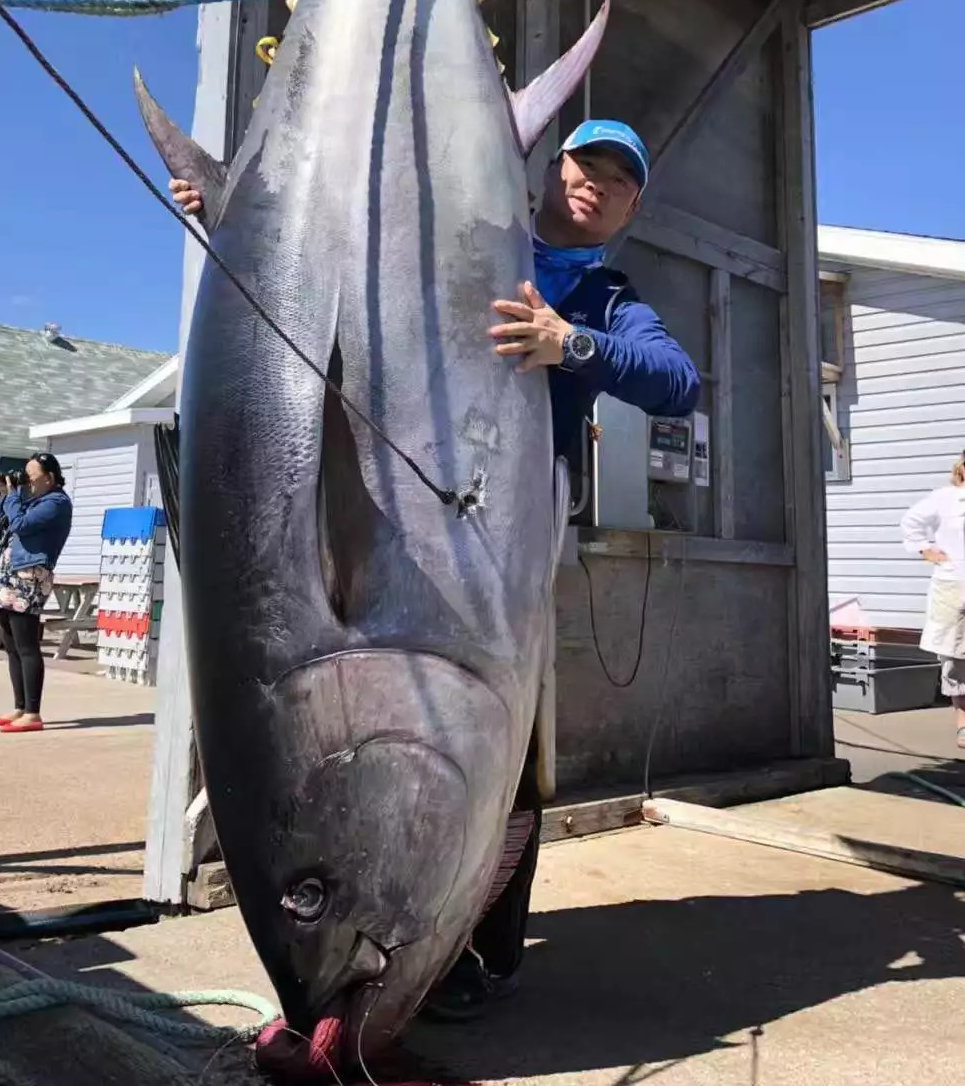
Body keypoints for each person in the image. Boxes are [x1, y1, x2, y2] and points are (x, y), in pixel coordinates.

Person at [166, 117, 700, 1017]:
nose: (595, 184)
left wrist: (570, 343)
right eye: (583, 164)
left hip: (508, 540)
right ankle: (430, 928)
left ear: (631, 206)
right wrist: (237, 222)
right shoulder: (466, 237)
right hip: (402, 513)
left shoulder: (607, 296)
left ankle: (476, 947)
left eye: (618, 180)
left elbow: (676, 379)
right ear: (549, 166)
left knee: (519, 739)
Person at [0, 453, 73, 735]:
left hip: (29, 576)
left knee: (26, 644)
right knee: (10, 643)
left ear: (49, 478)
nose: (27, 482)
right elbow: (8, 522)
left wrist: (12, 495)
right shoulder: (32, 499)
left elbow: (21, 524)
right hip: (11, 573)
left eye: (31, 477)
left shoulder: (56, 503)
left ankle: (33, 712)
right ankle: (20, 707)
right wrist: (5, 493)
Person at [900, 457, 965, 754]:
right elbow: (911, 522)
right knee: (955, 657)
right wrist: (928, 552)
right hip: (953, 586)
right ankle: (963, 723)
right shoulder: (945, 499)